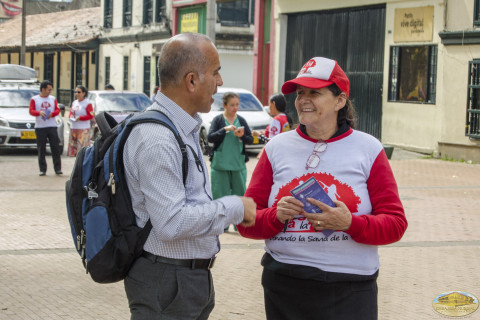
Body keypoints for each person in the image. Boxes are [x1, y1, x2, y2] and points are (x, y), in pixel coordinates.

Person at [237, 57, 408, 320]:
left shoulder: (369, 149)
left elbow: (395, 224)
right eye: (300, 93)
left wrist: (350, 223)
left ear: (340, 101)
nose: (303, 99)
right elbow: (245, 222)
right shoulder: (276, 148)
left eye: (314, 92)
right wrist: (275, 215)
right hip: (285, 283)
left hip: (350, 288)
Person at [122, 33, 257, 320]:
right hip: (167, 279)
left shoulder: (180, 128)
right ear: (192, 80)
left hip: (183, 279)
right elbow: (171, 222)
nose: (220, 83)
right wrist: (234, 207)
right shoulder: (158, 138)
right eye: (216, 72)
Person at [207, 92, 254, 231]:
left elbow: (250, 139)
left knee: (239, 194)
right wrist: (224, 130)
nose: (235, 108)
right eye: (232, 105)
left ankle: (238, 224)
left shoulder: (241, 120)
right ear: (224, 105)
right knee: (220, 194)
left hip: (238, 164)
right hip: (220, 164)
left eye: (237, 105)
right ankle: (223, 225)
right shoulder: (218, 120)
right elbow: (210, 137)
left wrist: (242, 136)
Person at [29, 80, 62, 176]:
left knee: (55, 147)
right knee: (41, 148)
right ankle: (42, 169)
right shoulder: (35, 99)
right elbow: (31, 110)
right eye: (48, 90)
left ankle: (58, 168)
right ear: (43, 89)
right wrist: (39, 113)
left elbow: (57, 109)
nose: (50, 92)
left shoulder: (52, 99)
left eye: (51, 90)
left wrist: (52, 114)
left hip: (52, 126)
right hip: (40, 127)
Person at [66, 86, 94, 157]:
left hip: (83, 129)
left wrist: (81, 118)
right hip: (74, 127)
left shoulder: (87, 103)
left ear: (84, 93)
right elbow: (71, 112)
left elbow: (91, 116)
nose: (77, 94)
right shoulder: (74, 102)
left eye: (79, 92)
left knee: (82, 151)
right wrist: (71, 116)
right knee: (74, 151)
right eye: (75, 92)